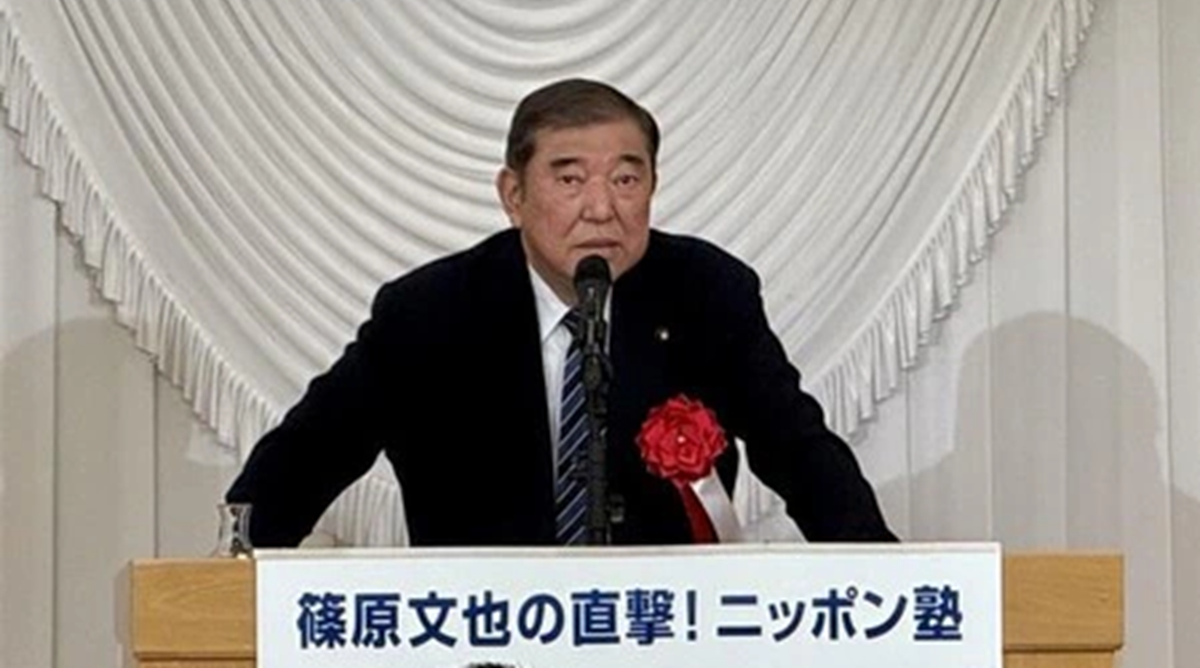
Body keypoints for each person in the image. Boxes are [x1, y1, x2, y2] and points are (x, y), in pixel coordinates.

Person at [226, 78, 897, 547]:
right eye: (570, 179)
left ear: (652, 186)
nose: (601, 208)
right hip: (484, 636)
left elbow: (799, 450)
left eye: (626, 179)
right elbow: (307, 454)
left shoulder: (706, 291)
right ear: (513, 195)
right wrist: (231, 567)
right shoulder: (430, 313)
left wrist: (882, 572)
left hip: (668, 634)